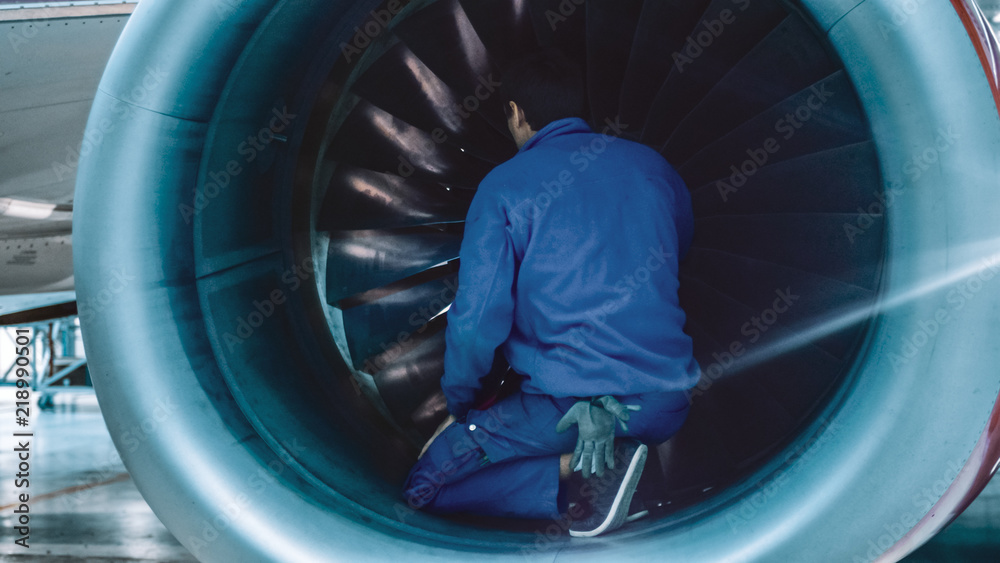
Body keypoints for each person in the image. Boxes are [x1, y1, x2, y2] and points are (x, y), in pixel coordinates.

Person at [402, 50, 700, 538]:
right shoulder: (654, 168)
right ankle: (609, 459)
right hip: (665, 403)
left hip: (565, 411)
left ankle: (578, 470)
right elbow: (679, 249)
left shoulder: (504, 187)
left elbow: (477, 321)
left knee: (423, 489)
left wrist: (464, 408)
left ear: (516, 113)